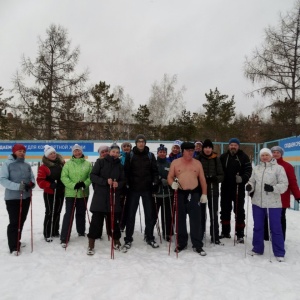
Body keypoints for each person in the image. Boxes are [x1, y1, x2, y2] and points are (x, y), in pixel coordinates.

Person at [246, 148, 288, 262]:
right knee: (258, 226)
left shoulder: (278, 168)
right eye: (262, 155)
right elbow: (252, 181)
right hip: (257, 202)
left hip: (273, 203)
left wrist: (273, 188)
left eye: (266, 155)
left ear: (271, 156)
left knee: (275, 227)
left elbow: (284, 184)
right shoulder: (257, 168)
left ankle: (279, 252)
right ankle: (257, 248)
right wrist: (250, 186)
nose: (264, 157)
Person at [167, 142, 208, 256]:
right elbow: (170, 177)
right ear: (183, 151)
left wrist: (204, 194)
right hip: (180, 193)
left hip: (194, 193)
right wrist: (172, 184)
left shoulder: (197, 163)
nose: (191, 152)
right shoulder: (175, 163)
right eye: (188, 150)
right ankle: (181, 243)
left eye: (192, 150)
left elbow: (202, 179)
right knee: (180, 219)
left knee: (196, 220)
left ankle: (197, 244)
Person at [87, 144, 125, 255]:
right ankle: (91, 243)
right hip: (100, 197)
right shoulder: (101, 162)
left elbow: (123, 180)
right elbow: (93, 176)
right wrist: (105, 181)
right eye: (113, 152)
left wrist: (118, 184)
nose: (115, 154)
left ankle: (116, 240)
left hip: (113, 197)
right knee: (96, 221)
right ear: (109, 152)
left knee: (114, 221)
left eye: (118, 152)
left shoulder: (120, 166)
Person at [123, 134, 159, 250]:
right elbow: (126, 171)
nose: (141, 143)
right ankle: (128, 238)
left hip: (147, 189)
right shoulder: (131, 155)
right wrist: (127, 184)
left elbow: (155, 171)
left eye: (143, 141)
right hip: (133, 189)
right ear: (136, 143)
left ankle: (149, 237)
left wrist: (155, 183)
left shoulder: (150, 155)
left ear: (145, 143)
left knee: (149, 214)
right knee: (130, 215)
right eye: (139, 141)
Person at [0, 144, 35, 255]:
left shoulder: (27, 165)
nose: (21, 153)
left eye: (23, 151)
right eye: (19, 151)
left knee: (22, 219)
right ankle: (13, 246)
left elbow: (32, 179)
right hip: (12, 198)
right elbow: (3, 179)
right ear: (14, 152)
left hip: (25, 197)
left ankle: (17, 240)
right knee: (14, 221)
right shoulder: (8, 164)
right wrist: (18, 186)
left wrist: (31, 184)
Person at [263, 146, 300, 241]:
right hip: (268, 196)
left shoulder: (287, 166)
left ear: (281, 154)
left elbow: (292, 182)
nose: (275, 154)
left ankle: (280, 237)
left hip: (281, 197)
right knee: (266, 216)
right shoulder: (266, 165)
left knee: (280, 218)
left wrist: (297, 195)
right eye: (273, 152)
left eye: (277, 152)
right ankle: (266, 236)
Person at [219, 138, 252, 243]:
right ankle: (225, 231)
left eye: (235, 145)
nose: (233, 147)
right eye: (231, 145)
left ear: (238, 146)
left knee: (239, 210)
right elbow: (219, 170)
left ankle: (240, 233)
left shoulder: (244, 157)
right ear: (229, 146)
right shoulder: (223, 157)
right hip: (225, 187)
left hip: (238, 188)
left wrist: (243, 178)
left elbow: (248, 170)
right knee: (225, 209)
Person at [60, 144, 92, 247]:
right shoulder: (68, 164)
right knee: (69, 214)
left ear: (82, 152)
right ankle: (64, 237)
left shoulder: (87, 164)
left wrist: (84, 183)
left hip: (83, 192)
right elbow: (63, 177)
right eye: (75, 151)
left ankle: (81, 231)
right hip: (71, 193)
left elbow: (90, 177)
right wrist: (74, 185)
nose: (77, 153)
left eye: (79, 151)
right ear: (72, 153)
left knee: (81, 213)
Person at [197, 139, 224, 245]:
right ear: (203, 148)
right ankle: (201, 232)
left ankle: (215, 235)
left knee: (214, 213)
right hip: (201, 191)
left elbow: (222, 175)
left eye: (209, 147)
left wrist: (215, 178)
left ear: (212, 149)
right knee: (201, 213)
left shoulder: (216, 159)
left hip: (213, 190)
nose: (208, 149)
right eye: (206, 147)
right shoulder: (198, 158)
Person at [37, 145, 65, 242]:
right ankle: (47, 233)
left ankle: (55, 231)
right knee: (49, 212)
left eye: (54, 153)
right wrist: (49, 184)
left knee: (57, 212)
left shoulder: (62, 163)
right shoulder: (44, 167)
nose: (53, 155)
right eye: (50, 154)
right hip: (50, 192)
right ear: (46, 156)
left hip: (60, 191)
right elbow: (40, 181)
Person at [153, 144, 173, 241]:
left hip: (167, 193)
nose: (162, 153)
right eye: (160, 152)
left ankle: (167, 233)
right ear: (157, 153)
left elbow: (173, 176)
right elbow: (152, 175)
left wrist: (169, 181)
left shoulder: (169, 164)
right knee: (153, 215)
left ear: (166, 153)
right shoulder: (154, 163)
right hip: (156, 193)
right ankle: (148, 233)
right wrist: (159, 180)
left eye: (164, 152)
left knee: (167, 215)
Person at [119, 141, 132, 230]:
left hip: (131, 184)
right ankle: (119, 222)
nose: (126, 147)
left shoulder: (133, 157)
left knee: (129, 205)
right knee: (120, 204)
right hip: (121, 185)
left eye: (128, 146)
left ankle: (126, 223)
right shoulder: (119, 157)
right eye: (124, 146)